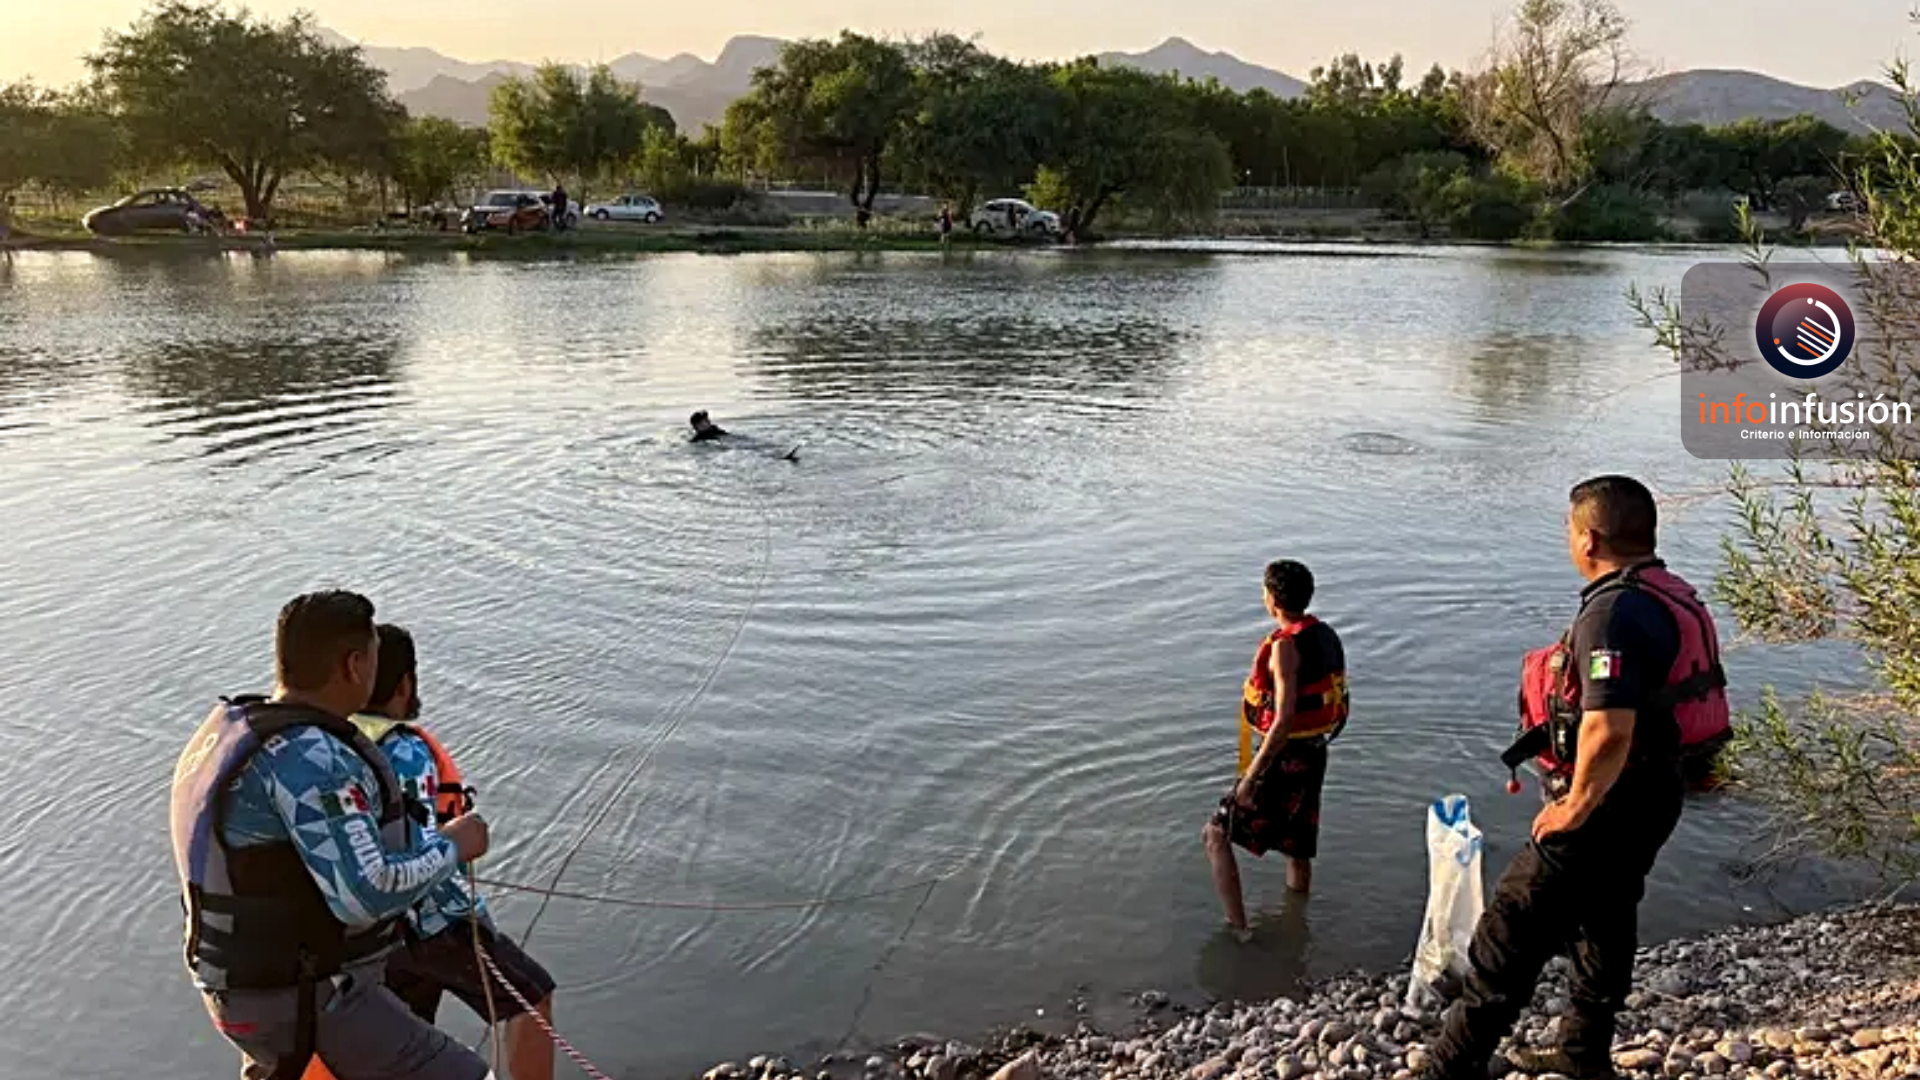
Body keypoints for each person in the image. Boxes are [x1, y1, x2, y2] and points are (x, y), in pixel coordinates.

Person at [1426, 477, 1719, 1080]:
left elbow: (1608, 728)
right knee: (1606, 915)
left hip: (1611, 799)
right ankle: (1583, 1054)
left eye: (1568, 529)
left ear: (1588, 537)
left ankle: (1450, 1066)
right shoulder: (1664, 594)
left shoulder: (1612, 612)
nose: (1567, 539)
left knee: (1510, 927)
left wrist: (1575, 805)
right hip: (1656, 790)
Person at [169, 591, 493, 1080]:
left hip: (240, 984)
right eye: (374, 657)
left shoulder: (234, 729)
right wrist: (454, 845)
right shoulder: (311, 760)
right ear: (354, 664)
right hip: (304, 996)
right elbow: (366, 894)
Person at [353, 625, 558, 1080]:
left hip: (365, 932)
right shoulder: (403, 749)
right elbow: (418, 847)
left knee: (408, 1033)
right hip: (428, 924)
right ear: (404, 684)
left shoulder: (334, 742)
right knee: (530, 998)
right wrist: (472, 915)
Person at [1203, 559, 1349, 938]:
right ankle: (1295, 924)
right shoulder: (1327, 635)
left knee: (1216, 833)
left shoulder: (1285, 647)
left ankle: (1239, 931)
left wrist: (1251, 778)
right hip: (1315, 752)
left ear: (1273, 600)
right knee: (1297, 847)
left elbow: (1283, 719)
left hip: (1285, 757)